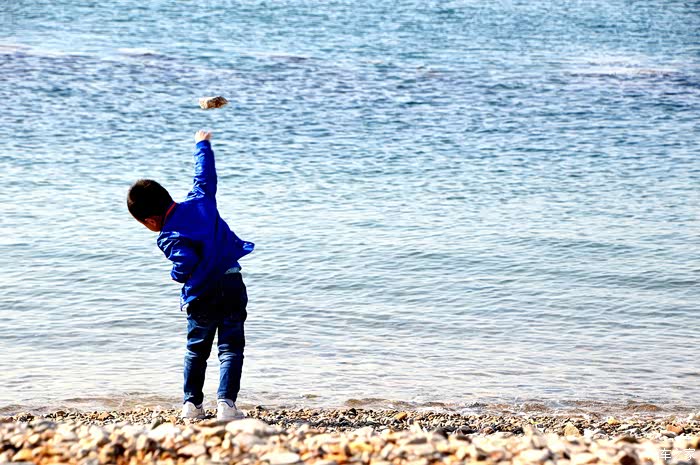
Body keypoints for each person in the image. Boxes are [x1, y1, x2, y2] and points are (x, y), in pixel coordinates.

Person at [126, 130, 254, 420]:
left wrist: (177, 274)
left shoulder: (167, 235)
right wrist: (202, 144)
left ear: (151, 221)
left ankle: (192, 405)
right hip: (231, 282)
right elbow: (205, 175)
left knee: (196, 351)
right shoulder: (201, 200)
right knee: (231, 348)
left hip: (201, 295)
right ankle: (226, 405)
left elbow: (185, 262)